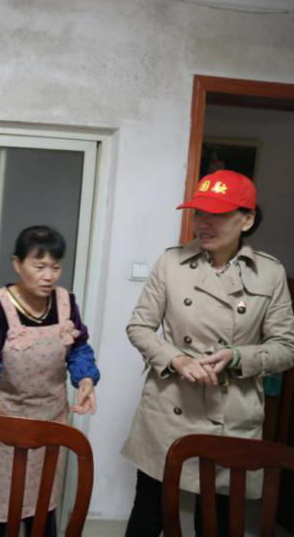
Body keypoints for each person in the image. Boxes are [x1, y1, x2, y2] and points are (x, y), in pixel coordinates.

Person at [122, 170, 294, 537]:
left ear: (246, 219)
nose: (204, 223)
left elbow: (286, 348)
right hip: (170, 407)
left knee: (217, 522)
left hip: (231, 415)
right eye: (199, 213)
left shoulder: (270, 273)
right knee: (148, 515)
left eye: (218, 214)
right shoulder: (171, 263)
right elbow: (139, 327)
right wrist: (177, 359)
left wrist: (238, 357)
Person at [0, 225, 100, 537]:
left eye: (55, 267)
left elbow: (78, 347)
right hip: (2, 423)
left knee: (42, 509)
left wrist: (85, 378)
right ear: (17, 264)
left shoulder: (65, 302)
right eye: (39, 266)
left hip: (50, 422)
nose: (49, 276)